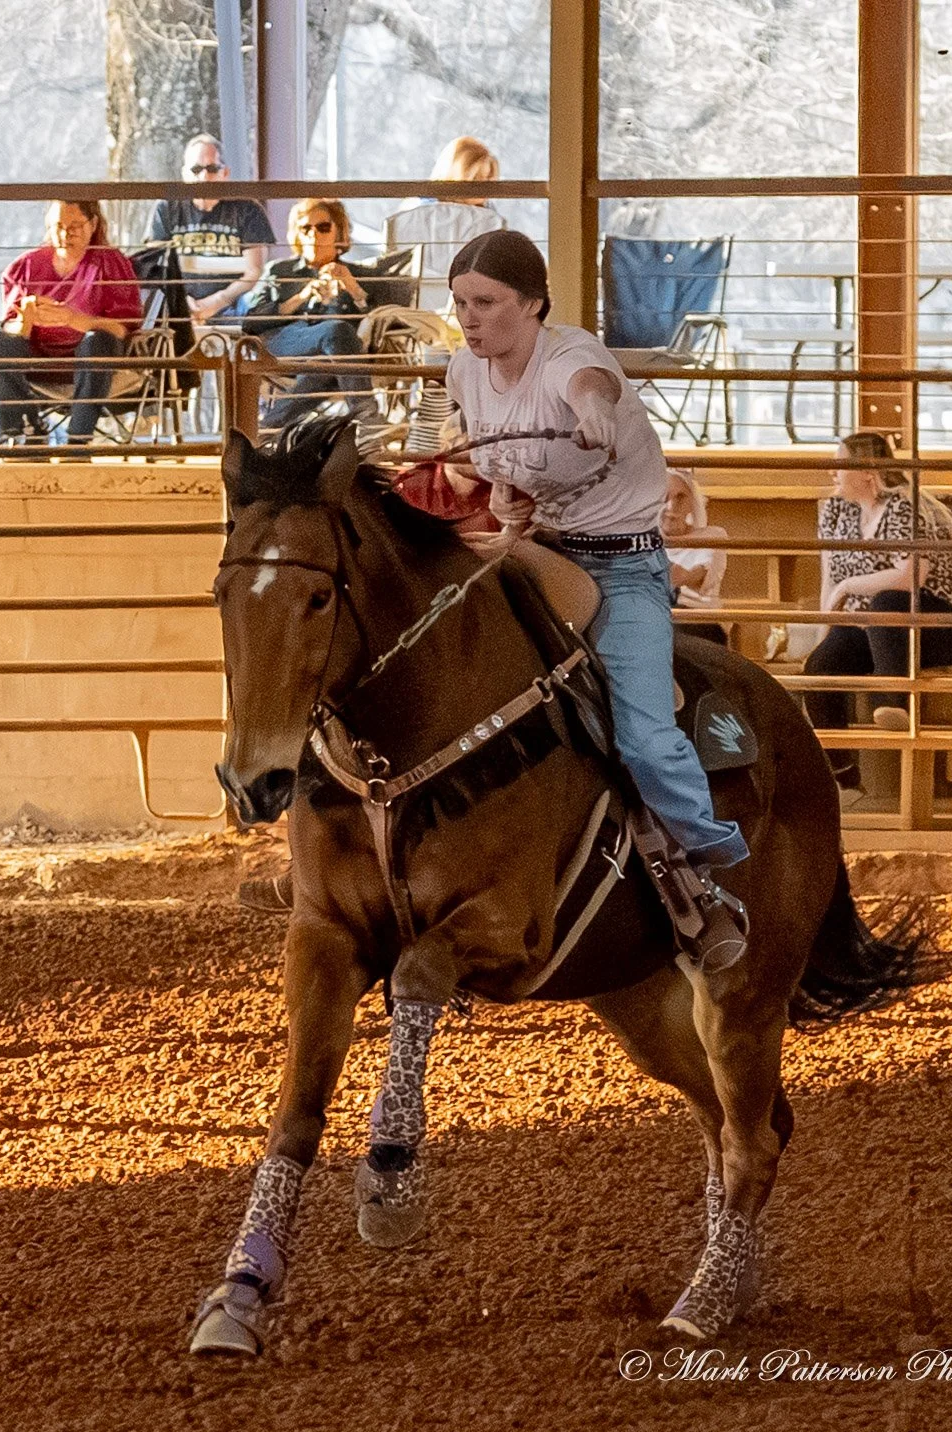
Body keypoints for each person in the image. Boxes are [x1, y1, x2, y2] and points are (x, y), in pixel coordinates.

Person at [444, 229, 749, 973]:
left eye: (485, 303)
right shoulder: (462, 370)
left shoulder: (572, 358)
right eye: (459, 303)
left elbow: (591, 385)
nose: (469, 319)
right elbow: (493, 462)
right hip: (535, 552)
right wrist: (502, 495)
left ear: (534, 304)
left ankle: (714, 867)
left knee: (645, 735)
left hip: (621, 568)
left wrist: (596, 412)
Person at [804, 431, 952, 802]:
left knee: (887, 601)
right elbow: (829, 581)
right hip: (877, 627)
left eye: (840, 463)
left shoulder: (906, 507)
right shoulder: (835, 511)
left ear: (867, 470)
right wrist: (828, 632)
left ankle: (894, 700)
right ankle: (844, 780)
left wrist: (848, 586)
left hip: (945, 624)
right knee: (822, 664)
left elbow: (910, 577)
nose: (832, 472)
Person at [0, 199, 142, 444]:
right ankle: (23, 433)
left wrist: (73, 319)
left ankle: (78, 439)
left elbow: (121, 329)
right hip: (38, 363)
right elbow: (11, 328)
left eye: (75, 226)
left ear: (93, 224)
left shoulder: (110, 263)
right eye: (58, 226)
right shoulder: (26, 265)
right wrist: (26, 318)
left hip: (90, 363)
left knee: (98, 341)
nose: (65, 234)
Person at [241, 198, 379, 429]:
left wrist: (354, 289)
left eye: (323, 227)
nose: (314, 235)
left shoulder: (357, 274)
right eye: (305, 228)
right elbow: (251, 320)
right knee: (335, 329)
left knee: (326, 359)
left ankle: (270, 427)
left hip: (340, 355)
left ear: (339, 233)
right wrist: (300, 297)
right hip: (286, 342)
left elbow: (380, 320)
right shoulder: (279, 271)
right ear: (297, 235)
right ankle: (367, 417)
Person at [147, 134, 274, 324]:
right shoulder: (166, 208)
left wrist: (218, 301)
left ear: (225, 173)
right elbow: (154, 267)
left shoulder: (248, 209)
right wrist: (181, 301)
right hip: (175, 306)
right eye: (196, 169)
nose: (204, 176)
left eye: (212, 168)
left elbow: (255, 271)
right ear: (184, 173)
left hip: (233, 306)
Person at [386, 137, 505, 312]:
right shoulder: (416, 212)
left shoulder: (490, 218)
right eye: (477, 179)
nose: (484, 188)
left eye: (489, 179)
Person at [662, 468, 729, 644]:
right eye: (664, 497)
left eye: (680, 497)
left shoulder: (713, 536)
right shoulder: (642, 539)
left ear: (692, 502)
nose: (671, 507)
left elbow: (683, 577)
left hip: (696, 621)